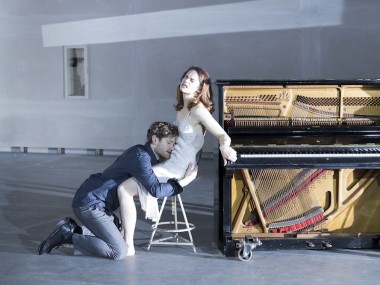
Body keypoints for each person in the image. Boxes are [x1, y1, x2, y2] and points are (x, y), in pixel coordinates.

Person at [117, 66, 237, 254]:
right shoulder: (183, 109)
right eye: (185, 77)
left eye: (192, 80)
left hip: (177, 170)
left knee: (124, 189)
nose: (186, 80)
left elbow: (223, 135)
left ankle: (128, 245)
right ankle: (122, 234)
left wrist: (224, 147)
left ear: (200, 88)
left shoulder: (198, 110)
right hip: (170, 164)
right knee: (125, 176)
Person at [38, 121, 198, 260]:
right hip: (90, 203)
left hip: (99, 204)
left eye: (174, 144)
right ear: (155, 139)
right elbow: (155, 190)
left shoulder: (142, 153)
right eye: (169, 142)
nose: (172, 148)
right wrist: (184, 181)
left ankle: (73, 229)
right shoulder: (141, 157)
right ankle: (68, 236)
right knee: (119, 251)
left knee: (121, 233)